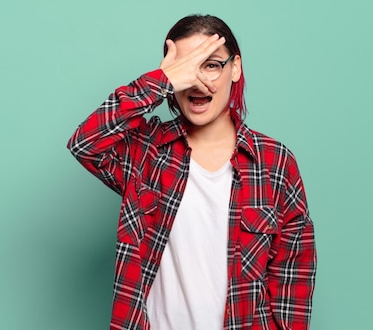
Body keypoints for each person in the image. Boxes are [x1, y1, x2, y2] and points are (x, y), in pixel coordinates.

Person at [68, 14, 316, 330]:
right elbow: (86, 142)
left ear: (235, 68)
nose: (197, 81)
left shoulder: (274, 162)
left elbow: (292, 275)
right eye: (186, 68)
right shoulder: (147, 150)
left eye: (211, 65)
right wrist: (161, 81)